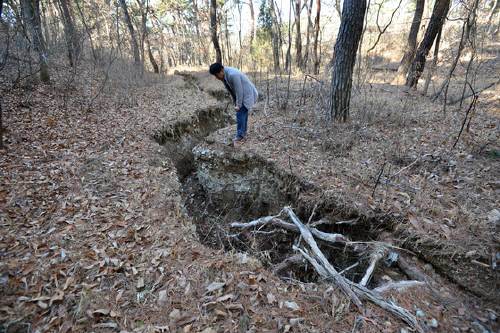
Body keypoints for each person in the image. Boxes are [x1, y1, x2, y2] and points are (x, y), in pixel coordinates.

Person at [209, 63, 258, 143]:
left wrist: (238, 105)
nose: (216, 77)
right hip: (242, 95)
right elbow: (231, 89)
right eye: (215, 75)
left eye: (217, 75)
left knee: (240, 113)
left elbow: (239, 91)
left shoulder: (233, 75)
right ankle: (243, 133)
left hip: (247, 94)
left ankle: (240, 135)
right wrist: (235, 101)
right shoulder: (224, 76)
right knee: (243, 113)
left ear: (221, 70)